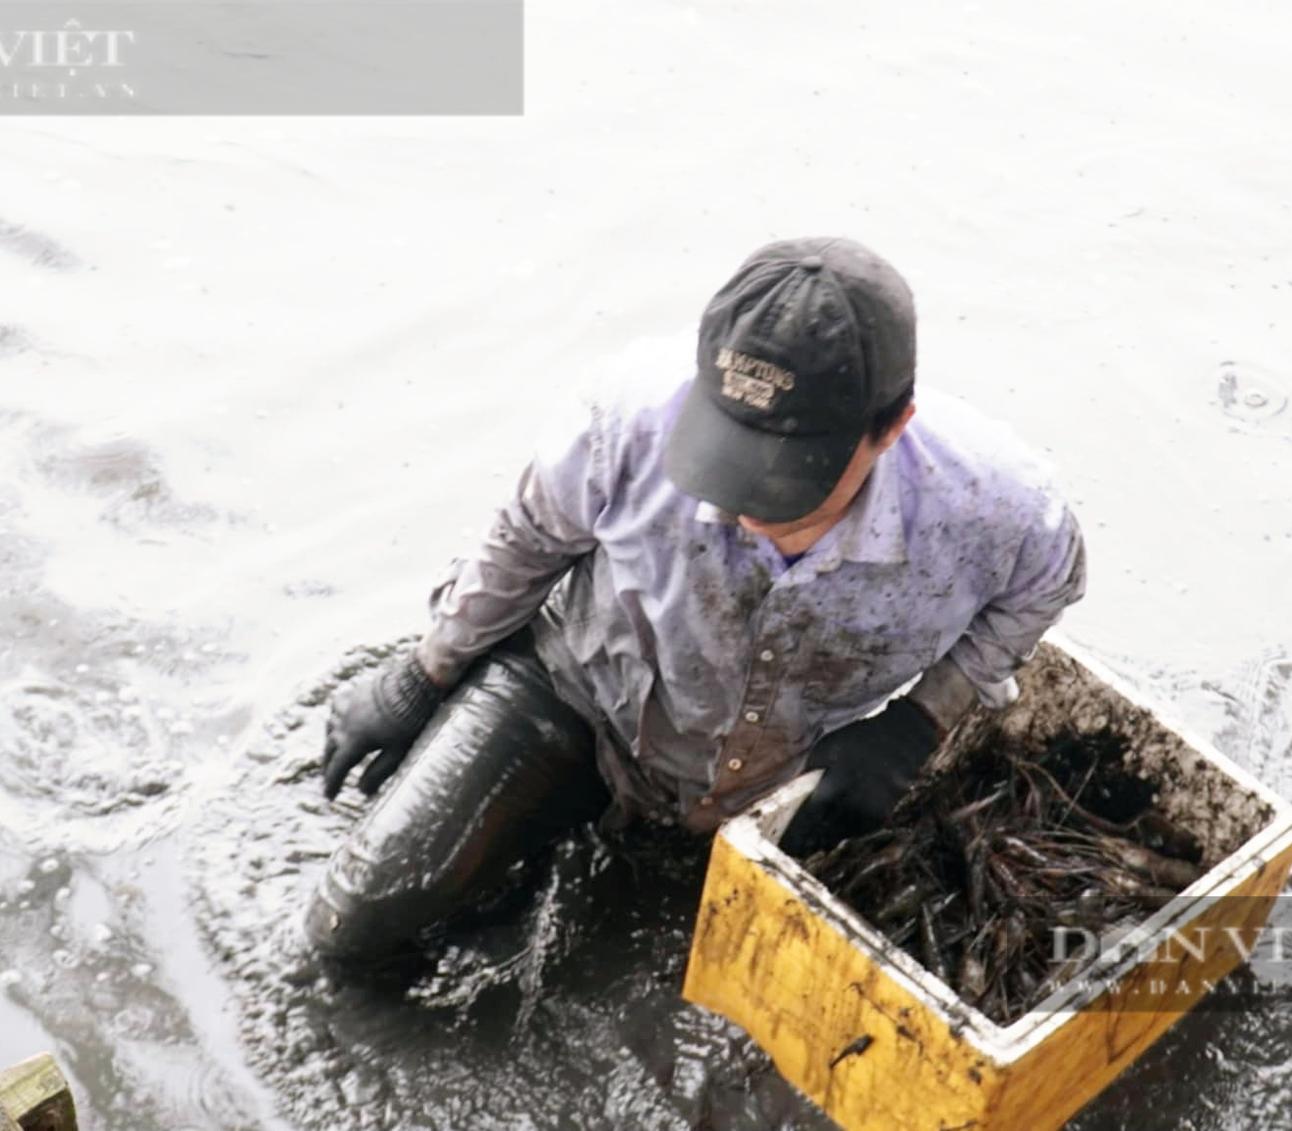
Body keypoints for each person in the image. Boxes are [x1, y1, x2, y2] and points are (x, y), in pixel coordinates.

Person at [304, 236, 1086, 962]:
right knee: (354, 924)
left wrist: (919, 722)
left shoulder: (999, 506)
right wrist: (423, 675)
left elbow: (1047, 586)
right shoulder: (627, 413)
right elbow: (527, 540)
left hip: (786, 774)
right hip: (584, 698)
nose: (747, 504)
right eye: (731, 451)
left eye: (788, 472)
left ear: (892, 426)